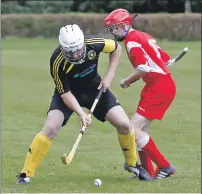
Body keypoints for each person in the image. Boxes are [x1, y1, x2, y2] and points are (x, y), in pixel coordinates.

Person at [16, 24, 154, 185]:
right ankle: (26, 173)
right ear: (62, 47)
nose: (74, 54)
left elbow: (116, 48)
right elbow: (64, 93)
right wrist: (81, 114)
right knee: (51, 128)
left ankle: (132, 165)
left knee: (124, 124)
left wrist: (109, 76)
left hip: (95, 89)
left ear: (82, 43)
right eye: (70, 51)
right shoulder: (57, 61)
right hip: (68, 94)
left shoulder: (94, 43)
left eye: (77, 49)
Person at [104, 9, 176, 179]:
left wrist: (127, 80)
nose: (113, 32)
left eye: (115, 28)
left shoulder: (131, 41)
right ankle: (148, 173)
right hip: (156, 86)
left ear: (125, 25)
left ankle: (165, 167)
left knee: (133, 130)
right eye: (111, 29)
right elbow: (165, 60)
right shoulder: (143, 36)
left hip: (159, 88)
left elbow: (143, 68)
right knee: (140, 129)